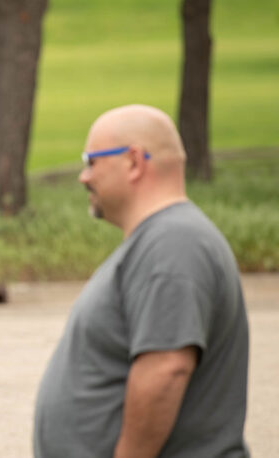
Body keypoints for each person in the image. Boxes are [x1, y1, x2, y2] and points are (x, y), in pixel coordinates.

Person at [33, 104, 250, 457]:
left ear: (133, 161)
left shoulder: (174, 242)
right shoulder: (162, 239)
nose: (83, 177)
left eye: (91, 161)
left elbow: (167, 369)